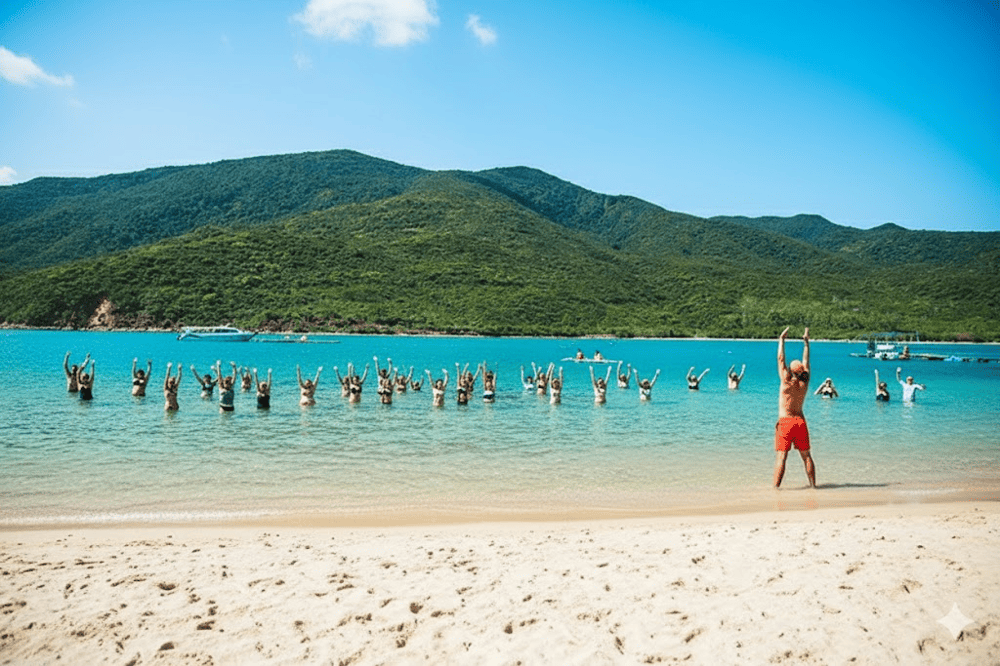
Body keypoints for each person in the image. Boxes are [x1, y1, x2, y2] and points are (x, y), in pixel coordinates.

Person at [773, 326, 816, 488]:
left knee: (781, 457)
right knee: (806, 457)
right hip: (800, 422)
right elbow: (806, 361)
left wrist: (781, 340)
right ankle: (813, 487)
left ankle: (775, 489)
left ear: (791, 371)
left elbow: (780, 359)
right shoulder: (805, 381)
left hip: (785, 422)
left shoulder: (786, 381)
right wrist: (806, 343)